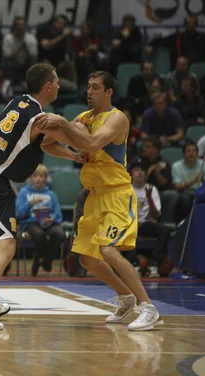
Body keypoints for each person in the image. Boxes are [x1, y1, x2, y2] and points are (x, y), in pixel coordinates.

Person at [0, 63, 85, 330]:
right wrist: (80, 130)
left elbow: (47, 142)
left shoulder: (19, 104)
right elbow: (72, 136)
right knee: (7, 244)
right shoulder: (39, 116)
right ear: (47, 86)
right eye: (57, 81)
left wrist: (72, 156)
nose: (60, 86)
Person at [42, 71, 163, 331]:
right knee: (86, 258)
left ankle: (149, 308)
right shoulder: (84, 118)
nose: (89, 91)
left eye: (95, 87)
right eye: (88, 86)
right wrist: (73, 156)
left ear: (108, 92)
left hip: (116, 194)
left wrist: (64, 124)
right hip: (94, 196)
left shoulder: (117, 118)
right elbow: (47, 143)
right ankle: (126, 298)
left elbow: (94, 142)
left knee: (109, 250)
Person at [15, 164, 66, 276]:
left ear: (45, 178)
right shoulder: (24, 193)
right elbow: (18, 214)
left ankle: (45, 261)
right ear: (30, 178)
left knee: (60, 234)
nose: (38, 179)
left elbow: (58, 213)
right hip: (31, 222)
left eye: (41, 176)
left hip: (48, 223)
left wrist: (52, 218)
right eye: (35, 176)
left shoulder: (51, 194)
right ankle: (38, 259)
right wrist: (30, 203)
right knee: (39, 234)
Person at [128, 159, 170, 278]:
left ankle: (154, 263)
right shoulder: (126, 190)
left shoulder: (152, 189)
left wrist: (149, 199)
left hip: (147, 225)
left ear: (146, 174)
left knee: (164, 230)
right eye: (136, 170)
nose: (140, 172)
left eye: (142, 170)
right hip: (130, 224)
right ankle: (135, 264)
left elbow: (157, 216)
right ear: (131, 174)